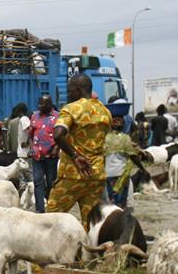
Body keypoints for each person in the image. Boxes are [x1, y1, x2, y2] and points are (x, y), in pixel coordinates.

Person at [46, 74, 112, 228]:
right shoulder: (105, 111)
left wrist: (75, 156)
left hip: (72, 174)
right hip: (96, 175)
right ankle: (89, 251)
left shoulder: (71, 108)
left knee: (51, 218)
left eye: (69, 91)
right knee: (91, 222)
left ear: (77, 90)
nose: (68, 95)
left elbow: (58, 135)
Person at [105, 115, 148, 208]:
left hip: (108, 174)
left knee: (111, 201)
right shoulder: (125, 138)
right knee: (121, 202)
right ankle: (121, 219)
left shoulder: (105, 138)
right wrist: (143, 169)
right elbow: (133, 156)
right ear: (123, 126)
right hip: (121, 174)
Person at [29, 94, 59, 213]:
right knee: (37, 181)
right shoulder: (34, 116)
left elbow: (62, 135)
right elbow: (31, 135)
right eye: (39, 103)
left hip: (51, 155)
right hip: (37, 156)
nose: (40, 106)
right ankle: (40, 209)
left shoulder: (57, 116)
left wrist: (56, 148)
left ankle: (52, 208)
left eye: (43, 104)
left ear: (50, 104)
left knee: (51, 182)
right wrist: (32, 148)